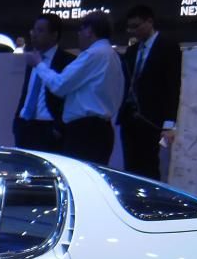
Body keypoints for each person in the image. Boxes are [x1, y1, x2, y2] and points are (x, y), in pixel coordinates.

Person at [26, 11, 124, 165]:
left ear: (89, 31)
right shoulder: (113, 56)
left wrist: (39, 64)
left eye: (81, 30)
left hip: (85, 132)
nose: (78, 34)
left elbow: (59, 85)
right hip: (102, 129)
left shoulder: (93, 54)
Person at [117, 5, 182, 180]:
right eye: (130, 27)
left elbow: (172, 86)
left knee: (149, 166)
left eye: (136, 26)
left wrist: (169, 124)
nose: (133, 31)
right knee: (130, 167)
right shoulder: (132, 51)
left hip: (152, 119)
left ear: (150, 22)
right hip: (129, 118)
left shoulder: (167, 46)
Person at [14, 14, 73, 153]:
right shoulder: (33, 58)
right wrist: (17, 122)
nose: (34, 35)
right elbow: (27, 92)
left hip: (48, 127)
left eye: (40, 31)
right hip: (25, 125)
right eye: (34, 30)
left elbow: (68, 97)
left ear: (54, 35)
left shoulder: (67, 61)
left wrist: (59, 127)